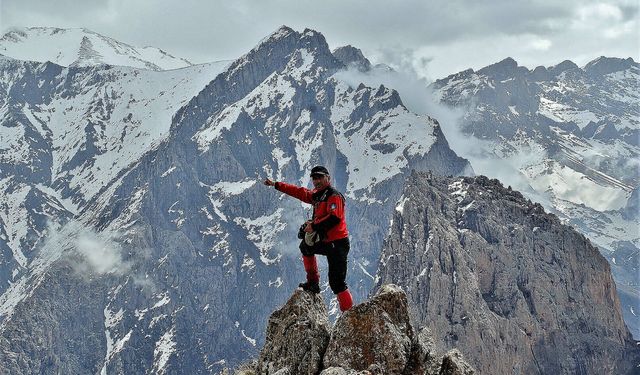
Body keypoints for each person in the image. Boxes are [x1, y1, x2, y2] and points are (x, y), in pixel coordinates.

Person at [264, 166, 353, 312]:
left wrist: (314, 225)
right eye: (314, 178)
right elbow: (299, 192)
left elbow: (335, 218)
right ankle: (313, 283)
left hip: (338, 244)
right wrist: (276, 184)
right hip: (327, 241)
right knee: (305, 246)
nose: (316, 181)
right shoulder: (317, 195)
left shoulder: (333, 196)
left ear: (328, 178)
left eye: (319, 177)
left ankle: (349, 315)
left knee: (337, 283)